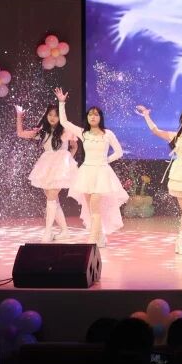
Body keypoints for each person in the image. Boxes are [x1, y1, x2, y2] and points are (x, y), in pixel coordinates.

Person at [53, 87, 128, 247]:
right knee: (91, 209)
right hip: (87, 173)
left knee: (95, 207)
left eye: (96, 114)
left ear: (100, 117)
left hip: (101, 173)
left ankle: (92, 240)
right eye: (90, 114)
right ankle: (100, 237)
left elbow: (119, 152)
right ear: (87, 118)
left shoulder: (108, 134)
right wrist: (61, 103)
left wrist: (105, 161)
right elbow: (64, 122)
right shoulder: (83, 133)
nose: (93, 117)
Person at [134, 105, 182, 254]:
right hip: (179, 174)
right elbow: (156, 131)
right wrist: (146, 115)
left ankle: (180, 241)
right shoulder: (176, 136)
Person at [15, 103, 78, 241]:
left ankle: (48, 232)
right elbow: (20, 133)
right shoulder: (42, 131)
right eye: (50, 115)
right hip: (46, 166)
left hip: (60, 166)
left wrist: (67, 163)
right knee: (53, 199)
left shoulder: (66, 130)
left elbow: (74, 147)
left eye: (56, 115)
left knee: (52, 197)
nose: (52, 117)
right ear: (46, 115)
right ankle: (65, 231)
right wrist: (19, 116)